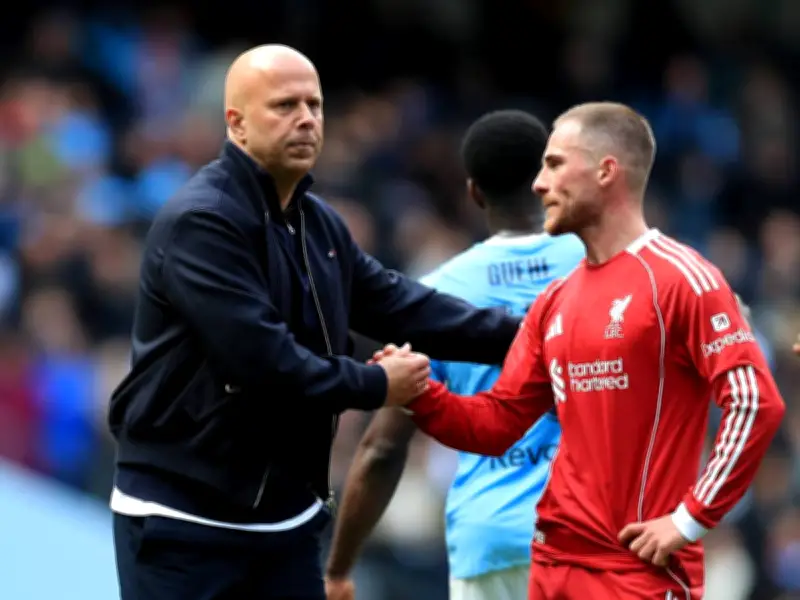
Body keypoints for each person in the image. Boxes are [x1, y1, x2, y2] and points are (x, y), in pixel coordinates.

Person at [107, 44, 523, 600]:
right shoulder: (202, 222)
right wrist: (378, 386)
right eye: (284, 106)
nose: (306, 119)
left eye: (315, 105)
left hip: (284, 520)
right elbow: (266, 362)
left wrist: (530, 334)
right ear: (236, 123)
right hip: (183, 522)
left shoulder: (318, 222)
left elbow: (401, 304)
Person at [391, 102, 786, 599]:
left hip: (636, 572)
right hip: (552, 564)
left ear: (606, 171)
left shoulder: (682, 278)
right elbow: (498, 422)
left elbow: (755, 401)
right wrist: (418, 393)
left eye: (554, 164)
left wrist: (690, 519)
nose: (537, 183)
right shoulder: (555, 301)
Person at [324, 109, 585, 600]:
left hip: (490, 542)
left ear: (474, 192)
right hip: (594, 535)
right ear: (546, 179)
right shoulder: (604, 270)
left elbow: (383, 448)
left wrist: (339, 567)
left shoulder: (436, 294)